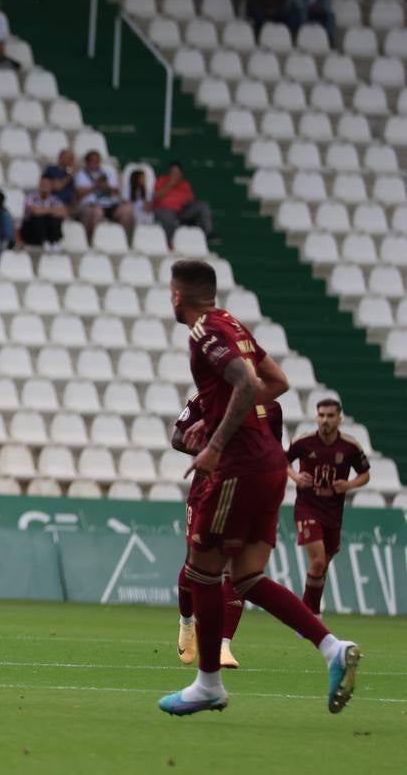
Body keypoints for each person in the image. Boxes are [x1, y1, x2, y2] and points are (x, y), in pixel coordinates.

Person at [157, 259, 360, 716]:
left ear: (176, 296)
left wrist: (214, 443)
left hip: (239, 465)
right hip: (270, 466)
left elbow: (248, 383)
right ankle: (332, 647)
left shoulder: (203, 332)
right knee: (246, 577)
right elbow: (278, 382)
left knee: (203, 571)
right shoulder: (233, 323)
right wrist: (213, 417)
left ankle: (208, 683)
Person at [170, 391, 281, 670]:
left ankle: (223, 646)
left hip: (245, 495)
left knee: (237, 570)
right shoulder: (206, 398)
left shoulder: (272, 408)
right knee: (195, 566)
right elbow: (177, 438)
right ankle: (186, 623)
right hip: (206, 493)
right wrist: (217, 452)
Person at [287, 399, 371, 616]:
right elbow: (282, 461)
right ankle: (311, 616)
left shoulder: (350, 446)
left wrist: (349, 485)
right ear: (317, 417)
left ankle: (305, 612)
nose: (325, 420)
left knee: (321, 566)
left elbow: (365, 474)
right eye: (321, 415)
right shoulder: (303, 442)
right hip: (307, 507)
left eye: (330, 416)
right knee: (318, 560)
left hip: (333, 512)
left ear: (339, 418)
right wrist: (296, 476)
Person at [73, 151, 133, 238]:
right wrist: (95, 186)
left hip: (109, 205)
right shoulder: (81, 174)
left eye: (97, 161)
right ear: (87, 162)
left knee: (127, 210)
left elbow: (116, 192)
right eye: (93, 161)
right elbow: (79, 193)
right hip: (91, 205)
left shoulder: (108, 172)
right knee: (98, 212)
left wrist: (106, 187)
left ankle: (124, 241)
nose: (95, 163)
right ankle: (93, 241)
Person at [152, 162, 212, 243]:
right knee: (168, 217)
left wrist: (187, 203)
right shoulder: (162, 181)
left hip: (181, 211)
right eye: (173, 172)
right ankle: (168, 242)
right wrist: (169, 185)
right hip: (164, 210)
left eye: (177, 173)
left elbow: (191, 200)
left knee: (203, 206)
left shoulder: (185, 184)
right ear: (169, 173)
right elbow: (155, 196)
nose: (175, 175)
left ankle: (208, 234)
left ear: (181, 174)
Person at [21, 175, 67, 248]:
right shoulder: (31, 197)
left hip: (48, 228)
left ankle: (53, 242)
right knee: (38, 218)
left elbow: (63, 213)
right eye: (43, 185)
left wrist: (43, 210)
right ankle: (43, 241)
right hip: (31, 231)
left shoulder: (55, 199)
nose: (45, 187)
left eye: (47, 185)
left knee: (54, 219)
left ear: (51, 186)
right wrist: (52, 210)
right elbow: (35, 211)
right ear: (39, 185)